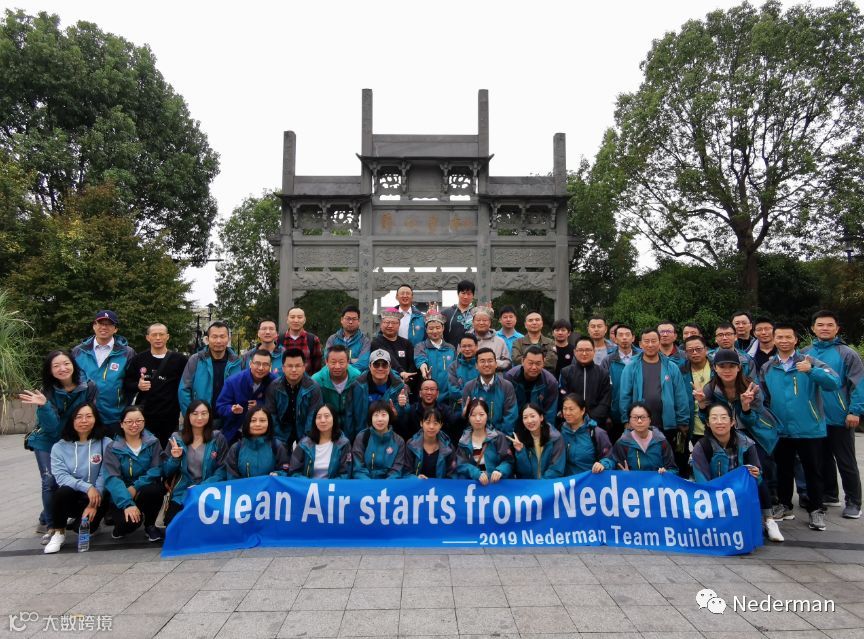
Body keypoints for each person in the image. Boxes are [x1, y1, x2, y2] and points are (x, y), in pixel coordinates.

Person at [759, 323, 840, 531]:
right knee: (783, 471)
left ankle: (816, 509)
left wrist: (812, 371)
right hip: (781, 429)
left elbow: (834, 382)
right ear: (774, 340)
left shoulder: (809, 361)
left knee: (813, 471)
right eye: (780, 337)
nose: (784, 341)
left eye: (788, 337)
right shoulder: (768, 367)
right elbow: (764, 398)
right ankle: (785, 505)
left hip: (809, 428)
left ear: (796, 340)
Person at [20, 350, 98, 539]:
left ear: (73, 365)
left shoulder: (88, 386)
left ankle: (47, 515)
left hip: (73, 438)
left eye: (66, 363)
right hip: (47, 440)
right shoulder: (46, 391)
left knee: (75, 478)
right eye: (56, 366)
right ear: (50, 370)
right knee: (50, 481)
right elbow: (52, 429)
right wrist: (44, 406)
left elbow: (90, 414)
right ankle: (52, 527)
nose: (62, 368)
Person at [691, 403, 783, 542]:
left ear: (732, 422)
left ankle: (769, 520)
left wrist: (756, 474)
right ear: (708, 423)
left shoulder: (747, 444)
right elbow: (702, 481)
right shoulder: (701, 447)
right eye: (714, 418)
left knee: (759, 479)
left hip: (739, 492)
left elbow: (756, 474)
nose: (719, 422)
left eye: (723, 417)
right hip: (714, 494)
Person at [803, 310, 863, 519]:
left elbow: (859, 384)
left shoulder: (847, 353)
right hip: (815, 418)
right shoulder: (805, 353)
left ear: (837, 328)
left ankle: (854, 502)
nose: (825, 328)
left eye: (830, 325)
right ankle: (829, 494)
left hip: (840, 416)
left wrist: (855, 411)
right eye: (820, 325)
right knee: (821, 460)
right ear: (813, 328)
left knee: (846, 461)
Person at [618, 328, 690, 474]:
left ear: (659, 342)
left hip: (667, 424)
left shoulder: (671, 366)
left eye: (653, 341)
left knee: (667, 464)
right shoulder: (631, 367)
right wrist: (626, 420)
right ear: (640, 344)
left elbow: (680, 395)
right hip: (639, 425)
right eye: (646, 341)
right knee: (641, 462)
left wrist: (683, 421)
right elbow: (625, 395)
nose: (650, 345)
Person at [43, 402, 113, 554]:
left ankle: (91, 524)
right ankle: (58, 533)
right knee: (62, 492)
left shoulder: (106, 443)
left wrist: (94, 501)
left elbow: (105, 474)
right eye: (79, 417)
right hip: (74, 494)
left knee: (80, 529)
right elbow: (61, 477)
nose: (84, 421)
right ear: (72, 420)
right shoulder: (59, 447)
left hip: (97, 496)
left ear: (96, 419)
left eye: (89, 416)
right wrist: (87, 487)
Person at [161, 401, 229, 526]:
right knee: (172, 525)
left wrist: (203, 486)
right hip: (183, 492)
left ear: (210, 415)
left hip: (210, 491)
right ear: (188, 416)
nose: (200, 417)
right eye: (195, 413)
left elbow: (223, 469)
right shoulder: (176, 438)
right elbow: (166, 471)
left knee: (206, 526)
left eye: (204, 413)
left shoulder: (218, 438)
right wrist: (175, 458)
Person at [103, 406, 165, 542]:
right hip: (122, 493)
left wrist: (136, 487)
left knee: (156, 490)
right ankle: (120, 527)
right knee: (129, 524)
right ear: (121, 424)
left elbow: (156, 469)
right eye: (129, 421)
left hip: (143, 489)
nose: (134, 425)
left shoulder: (153, 442)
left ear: (144, 422)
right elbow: (112, 479)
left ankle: (150, 525)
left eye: (138, 421)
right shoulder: (113, 448)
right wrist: (127, 504)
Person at [72, 310, 136, 436]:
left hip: (114, 417)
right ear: (94, 326)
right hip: (84, 417)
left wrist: (120, 405)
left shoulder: (127, 353)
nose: (104, 327)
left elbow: (131, 385)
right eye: (100, 323)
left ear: (115, 329)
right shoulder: (78, 351)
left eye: (109, 324)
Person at [124, 323, 188, 447]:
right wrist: (138, 385)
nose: (158, 338)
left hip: (170, 415)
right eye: (154, 335)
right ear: (148, 338)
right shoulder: (138, 359)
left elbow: (186, 385)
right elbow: (127, 383)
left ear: (167, 337)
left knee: (168, 449)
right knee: (146, 448)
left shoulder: (180, 360)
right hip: (145, 415)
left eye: (161, 334)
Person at [178, 321, 243, 423]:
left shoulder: (237, 362)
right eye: (214, 337)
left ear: (228, 339)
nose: (218, 341)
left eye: (222, 336)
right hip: (201, 420)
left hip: (229, 419)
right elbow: (184, 390)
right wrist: (191, 417)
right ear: (207, 339)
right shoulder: (196, 360)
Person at [343, 350, 409, 441]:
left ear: (390, 367)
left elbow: (406, 414)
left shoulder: (399, 385)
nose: (380, 368)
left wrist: (400, 408)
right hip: (362, 436)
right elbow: (349, 415)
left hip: (389, 437)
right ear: (369, 366)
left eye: (384, 365)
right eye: (376, 364)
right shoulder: (357, 385)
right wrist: (350, 441)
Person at [264, 348, 323, 448]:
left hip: (305, 430)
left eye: (298, 366)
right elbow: (272, 416)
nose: (294, 370)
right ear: (283, 368)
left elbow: (313, 417)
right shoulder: (274, 387)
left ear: (304, 367)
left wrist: (305, 441)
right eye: (290, 366)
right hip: (282, 431)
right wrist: (279, 440)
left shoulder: (313, 387)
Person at [216, 349, 277, 444]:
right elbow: (220, 406)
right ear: (250, 364)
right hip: (236, 432)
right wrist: (232, 409)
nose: (261, 368)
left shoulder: (275, 382)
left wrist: (260, 406)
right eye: (257, 363)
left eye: (265, 364)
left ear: (270, 366)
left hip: (264, 432)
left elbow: (278, 408)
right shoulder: (233, 381)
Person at [597, 402, 677, 474]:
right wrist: (603, 465)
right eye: (635, 417)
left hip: (657, 485)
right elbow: (613, 461)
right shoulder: (623, 443)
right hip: (631, 485)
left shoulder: (661, 441)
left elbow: (673, 469)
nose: (639, 421)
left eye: (643, 417)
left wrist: (666, 473)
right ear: (629, 421)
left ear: (650, 420)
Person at [217, 408, 291, 479]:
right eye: (253, 420)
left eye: (262, 420)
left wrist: (278, 474)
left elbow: (285, 470)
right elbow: (232, 477)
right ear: (247, 423)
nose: (258, 424)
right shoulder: (236, 448)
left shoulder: (277, 446)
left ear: (269, 423)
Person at [453, 398, 513, 483]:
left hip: (496, 485)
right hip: (474, 486)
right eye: (473, 415)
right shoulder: (463, 440)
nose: (478, 419)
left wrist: (500, 470)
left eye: (481, 414)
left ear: (487, 416)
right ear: (468, 418)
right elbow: (460, 465)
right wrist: (475, 473)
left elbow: (508, 461)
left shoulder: (498, 437)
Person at [460, 347, 519, 434]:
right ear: (476, 365)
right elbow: (467, 418)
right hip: (476, 436)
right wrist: (464, 415)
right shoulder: (469, 387)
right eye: (482, 361)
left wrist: (500, 438)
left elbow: (510, 417)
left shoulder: (507, 386)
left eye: (490, 361)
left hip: (501, 436)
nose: (486, 364)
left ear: (496, 364)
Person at [558, 337, 612, 426]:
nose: (584, 353)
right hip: (571, 422)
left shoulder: (603, 373)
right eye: (580, 350)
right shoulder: (566, 372)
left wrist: (592, 419)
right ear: (575, 352)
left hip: (596, 423)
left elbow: (605, 400)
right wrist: (576, 417)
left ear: (594, 351)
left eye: (588, 350)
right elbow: (563, 396)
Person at [289, 404, 352, 479]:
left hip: (333, 486)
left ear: (334, 419)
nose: (322, 420)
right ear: (314, 421)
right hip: (308, 485)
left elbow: (345, 474)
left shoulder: (343, 444)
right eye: (319, 417)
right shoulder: (304, 444)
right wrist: (309, 483)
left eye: (326, 416)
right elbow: (294, 472)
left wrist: (327, 485)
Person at [507, 403, 565, 479]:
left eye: (532, 416)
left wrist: (541, 484)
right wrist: (521, 451)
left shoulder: (555, 438)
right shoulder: (520, 439)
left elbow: (556, 469)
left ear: (541, 417)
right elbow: (524, 472)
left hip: (548, 484)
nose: (529, 421)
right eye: (525, 417)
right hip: (530, 484)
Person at [506, 346, 560, 427]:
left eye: (538, 363)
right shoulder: (510, 378)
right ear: (522, 361)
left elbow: (550, 414)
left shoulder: (550, 382)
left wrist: (544, 431)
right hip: (515, 422)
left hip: (538, 424)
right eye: (530, 363)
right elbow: (507, 409)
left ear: (543, 363)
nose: (534, 367)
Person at [352, 400, 407, 479]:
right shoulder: (362, 437)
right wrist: (370, 484)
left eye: (383, 415)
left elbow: (396, 471)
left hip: (389, 484)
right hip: (366, 483)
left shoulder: (399, 441)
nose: (380, 419)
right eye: (376, 415)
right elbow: (358, 468)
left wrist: (385, 485)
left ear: (389, 416)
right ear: (371, 418)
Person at [559, 394, 612, 475]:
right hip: (566, 481)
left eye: (571, 409)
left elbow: (610, 458)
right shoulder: (559, 431)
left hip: (590, 480)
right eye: (564, 409)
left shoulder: (597, 433)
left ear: (582, 410)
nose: (567, 413)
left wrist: (603, 464)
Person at [311, 345, 361, 430]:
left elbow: (359, 409)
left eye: (341, 362)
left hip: (351, 424)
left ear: (348, 362)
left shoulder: (357, 377)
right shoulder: (317, 380)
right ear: (326, 362)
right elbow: (314, 411)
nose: (337, 366)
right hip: (326, 425)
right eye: (333, 362)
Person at [604, 323, 638, 441]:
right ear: (615, 338)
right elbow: (604, 389)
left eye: (627, 335)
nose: (624, 338)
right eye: (621, 335)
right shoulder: (608, 360)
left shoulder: (641, 357)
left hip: (640, 412)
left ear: (633, 338)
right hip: (615, 413)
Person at [414, 309, 456, 402]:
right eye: (431, 328)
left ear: (443, 328)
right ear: (426, 330)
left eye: (438, 327)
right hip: (428, 396)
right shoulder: (420, 346)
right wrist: (424, 370)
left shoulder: (451, 348)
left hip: (448, 397)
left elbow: (455, 370)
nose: (435, 331)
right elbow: (420, 359)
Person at [396, 378, 457, 442]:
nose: (429, 392)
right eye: (426, 389)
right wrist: (400, 408)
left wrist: (462, 414)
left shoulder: (445, 410)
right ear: (420, 393)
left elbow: (454, 422)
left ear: (437, 393)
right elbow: (401, 427)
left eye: (432, 389)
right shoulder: (411, 410)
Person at [404, 406, 456, 478]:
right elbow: (406, 472)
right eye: (428, 422)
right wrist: (416, 478)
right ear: (421, 423)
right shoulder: (411, 444)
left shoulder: (449, 447)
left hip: (440, 485)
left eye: (435, 423)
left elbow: (452, 475)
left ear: (441, 425)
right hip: (417, 484)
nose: (431, 427)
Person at [679, 335, 712, 446]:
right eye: (690, 350)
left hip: (716, 423)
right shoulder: (680, 370)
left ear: (706, 349)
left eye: (698, 349)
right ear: (685, 353)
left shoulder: (716, 368)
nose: (695, 353)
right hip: (692, 426)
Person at [372, 308, 418, 386]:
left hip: (406, 384)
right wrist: (401, 372)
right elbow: (389, 357)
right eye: (387, 322)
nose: (390, 326)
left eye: (394, 323)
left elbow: (412, 363)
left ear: (399, 325)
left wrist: (408, 378)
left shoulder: (406, 343)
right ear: (381, 324)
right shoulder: (376, 343)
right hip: (385, 384)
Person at [325, 305, 371, 373]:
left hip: (357, 377)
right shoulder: (332, 339)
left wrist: (342, 368)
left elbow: (363, 363)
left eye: (354, 319)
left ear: (359, 321)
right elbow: (327, 360)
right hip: (334, 376)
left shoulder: (365, 341)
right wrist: (353, 360)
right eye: (348, 318)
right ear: (341, 320)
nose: (350, 322)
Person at [280, 307, 323, 375]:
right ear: (287, 320)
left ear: (304, 320)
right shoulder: (279, 339)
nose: (296, 320)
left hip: (307, 379)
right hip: (283, 379)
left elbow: (317, 365)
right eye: (292, 317)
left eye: (299, 317)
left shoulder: (313, 339)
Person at [470, 306, 511, 371]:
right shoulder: (466, 340)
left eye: (484, 320)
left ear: (489, 323)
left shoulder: (499, 341)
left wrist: (493, 363)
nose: (481, 323)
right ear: (473, 322)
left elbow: (507, 362)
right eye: (478, 320)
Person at [447, 334, 479, 407]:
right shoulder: (453, 366)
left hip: (479, 406)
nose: (467, 349)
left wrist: (469, 399)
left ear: (476, 346)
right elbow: (453, 391)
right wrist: (471, 397)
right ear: (460, 347)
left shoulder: (481, 364)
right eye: (464, 346)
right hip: (458, 408)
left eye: (470, 346)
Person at [442, 279, 475, 347]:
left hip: (471, 351)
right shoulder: (446, 313)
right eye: (463, 293)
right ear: (458, 293)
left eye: (469, 294)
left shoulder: (476, 314)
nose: (465, 297)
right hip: (450, 351)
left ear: (473, 296)